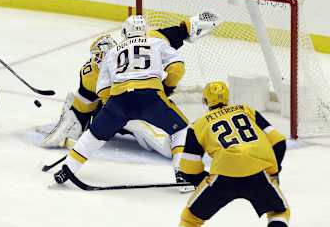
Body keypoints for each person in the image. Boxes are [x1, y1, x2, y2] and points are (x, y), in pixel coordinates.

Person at [52, 14, 219, 187]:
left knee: (93, 136)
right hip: (150, 98)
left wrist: (112, 111)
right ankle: (182, 173)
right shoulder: (155, 41)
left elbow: (103, 90)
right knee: (182, 129)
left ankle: (67, 170)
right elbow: (177, 67)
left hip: (119, 102)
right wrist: (166, 88)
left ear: (124, 33)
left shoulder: (111, 53)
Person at [177, 81, 289, 227]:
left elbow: (188, 168)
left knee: (190, 219)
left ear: (205, 101)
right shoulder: (246, 110)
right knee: (279, 212)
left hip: (223, 175)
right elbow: (279, 141)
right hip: (258, 172)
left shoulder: (198, 125)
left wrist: (206, 182)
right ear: (227, 99)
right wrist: (273, 173)